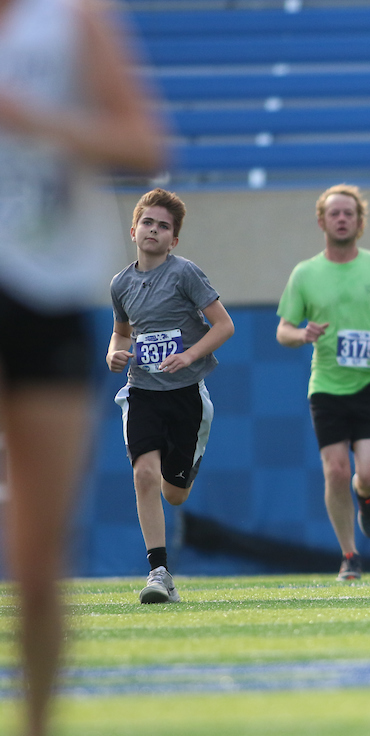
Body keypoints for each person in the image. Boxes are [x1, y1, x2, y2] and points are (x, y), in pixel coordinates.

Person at [0, 0, 164, 731]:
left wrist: (35, 120)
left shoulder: (72, 6)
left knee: (36, 557)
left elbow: (145, 144)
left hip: (43, 291)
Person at [277, 184, 370, 581]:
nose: (341, 219)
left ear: (359, 221)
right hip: (326, 386)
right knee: (336, 470)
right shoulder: (305, 273)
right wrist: (302, 334)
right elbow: (283, 330)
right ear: (322, 221)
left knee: (369, 473)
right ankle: (349, 555)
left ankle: (367, 496)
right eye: (334, 213)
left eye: (348, 213)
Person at [107, 188, 234, 604]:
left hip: (186, 395)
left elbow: (224, 326)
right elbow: (122, 331)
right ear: (133, 230)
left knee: (174, 494)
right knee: (143, 474)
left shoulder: (184, 274)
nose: (154, 231)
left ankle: (187, 465)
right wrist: (114, 352)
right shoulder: (121, 284)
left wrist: (189, 355)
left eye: (163, 226)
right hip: (143, 392)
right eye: (148, 222)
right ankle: (159, 572)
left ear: (173, 240)